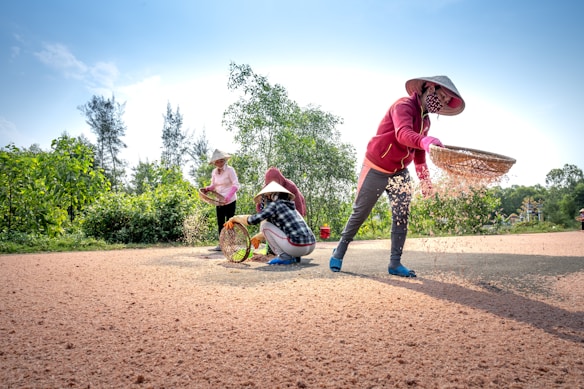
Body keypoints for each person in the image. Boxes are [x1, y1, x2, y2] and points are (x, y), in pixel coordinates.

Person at [329, 75, 465, 277]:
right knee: (360, 212)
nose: (442, 102)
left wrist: (425, 180)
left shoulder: (426, 120)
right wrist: (426, 141)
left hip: (399, 173)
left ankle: (395, 263)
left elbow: (418, 152)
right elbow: (403, 134)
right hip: (376, 166)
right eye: (442, 96)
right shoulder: (403, 106)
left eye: (446, 101)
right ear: (429, 87)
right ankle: (339, 251)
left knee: (401, 216)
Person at [224, 181, 316, 265]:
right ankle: (294, 257)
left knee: (265, 226)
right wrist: (258, 237)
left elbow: (253, 220)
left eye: (266, 196)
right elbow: (280, 230)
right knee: (275, 227)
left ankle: (284, 257)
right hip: (310, 245)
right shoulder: (291, 207)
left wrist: (235, 218)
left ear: (272, 196)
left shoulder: (275, 205)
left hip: (296, 247)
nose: (265, 199)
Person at [202, 149, 240, 251]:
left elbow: (236, 185)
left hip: (230, 200)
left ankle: (232, 245)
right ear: (214, 162)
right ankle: (221, 244)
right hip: (219, 200)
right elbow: (214, 185)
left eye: (221, 161)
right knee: (220, 222)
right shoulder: (214, 172)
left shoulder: (230, 170)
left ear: (224, 160)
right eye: (217, 161)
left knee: (230, 222)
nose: (219, 163)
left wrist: (228, 197)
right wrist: (208, 188)